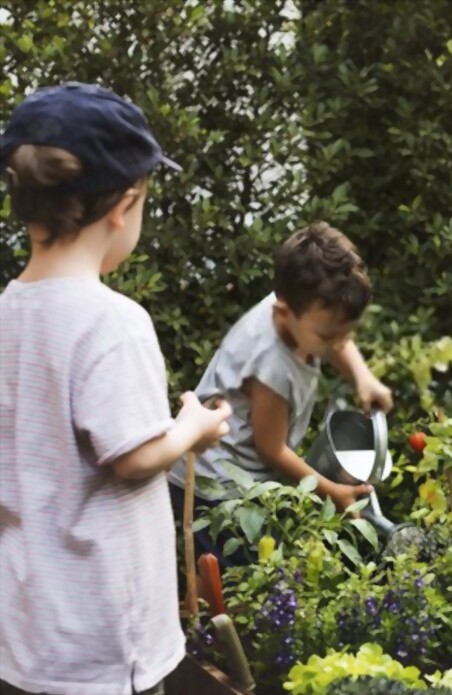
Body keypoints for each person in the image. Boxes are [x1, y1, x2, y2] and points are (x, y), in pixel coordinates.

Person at [0, 83, 231, 695]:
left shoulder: (7, 315)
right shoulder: (112, 321)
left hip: (24, 632)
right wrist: (193, 428)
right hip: (104, 640)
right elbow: (134, 459)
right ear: (123, 206)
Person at [166, 222, 393, 565]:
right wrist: (334, 493)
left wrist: (362, 376)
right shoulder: (270, 363)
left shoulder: (302, 303)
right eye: (327, 336)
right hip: (214, 489)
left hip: (243, 477)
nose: (336, 343)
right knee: (234, 585)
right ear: (284, 314)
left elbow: (336, 335)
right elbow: (271, 449)